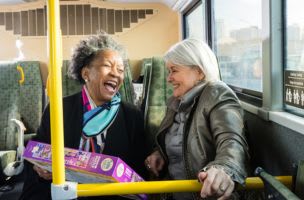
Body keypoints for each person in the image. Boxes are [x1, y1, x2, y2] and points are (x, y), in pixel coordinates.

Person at [19, 32, 148, 200]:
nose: (116, 74)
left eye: (121, 70)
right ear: (86, 74)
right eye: (108, 66)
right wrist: (38, 168)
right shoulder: (59, 109)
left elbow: (138, 170)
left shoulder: (132, 116)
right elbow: (37, 150)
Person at [145, 38, 249, 200]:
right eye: (168, 72)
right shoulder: (176, 102)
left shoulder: (217, 94)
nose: (168, 78)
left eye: (174, 70)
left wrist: (224, 168)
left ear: (199, 72)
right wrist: (159, 153)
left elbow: (232, 141)